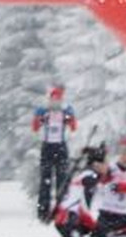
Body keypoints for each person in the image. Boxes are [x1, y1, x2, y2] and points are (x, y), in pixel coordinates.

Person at [54, 143, 108, 237]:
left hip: (74, 219)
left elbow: (82, 207)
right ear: (96, 164)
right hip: (67, 221)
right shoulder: (89, 175)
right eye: (105, 163)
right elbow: (87, 183)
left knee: (99, 234)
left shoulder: (88, 174)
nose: (107, 166)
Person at [32, 86, 76, 222]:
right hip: (47, 147)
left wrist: (68, 118)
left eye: (58, 100)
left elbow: (73, 127)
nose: (55, 103)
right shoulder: (44, 111)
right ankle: (43, 212)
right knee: (45, 181)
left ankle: (60, 211)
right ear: (49, 100)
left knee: (62, 181)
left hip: (61, 147)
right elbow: (35, 127)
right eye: (53, 100)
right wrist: (41, 118)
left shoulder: (65, 111)